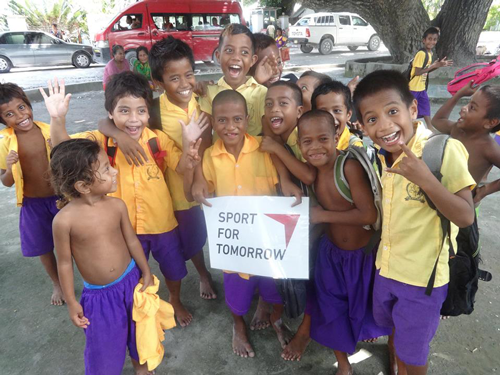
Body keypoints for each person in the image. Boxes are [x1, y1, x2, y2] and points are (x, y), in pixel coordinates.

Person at [42, 73, 203, 328]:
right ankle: (138, 307)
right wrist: (57, 118)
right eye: (124, 110)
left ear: (148, 113)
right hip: (122, 229)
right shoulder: (99, 141)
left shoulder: (156, 140)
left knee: (173, 269)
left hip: (161, 222)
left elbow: (182, 167)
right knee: (133, 276)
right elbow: (64, 149)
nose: (133, 119)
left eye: (141, 110)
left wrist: (189, 149)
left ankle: (175, 299)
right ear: (110, 113)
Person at [353, 70, 476, 375]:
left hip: (422, 281)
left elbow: (465, 215)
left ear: (412, 109)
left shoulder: (441, 151)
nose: (383, 126)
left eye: (392, 112)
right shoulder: (383, 156)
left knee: (415, 354)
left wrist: (425, 180)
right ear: (363, 126)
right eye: (371, 119)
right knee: (396, 333)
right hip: (388, 268)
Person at [99, 36, 217, 300]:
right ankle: (201, 274)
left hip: (204, 183)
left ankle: (203, 273)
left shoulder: (205, 102)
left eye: (189, 75)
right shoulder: (153, 110)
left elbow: (205, 146)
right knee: (183, 240)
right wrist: (121, 138)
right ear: (159, 83)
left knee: (199, 235)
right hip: (171, 193)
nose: (184, 84)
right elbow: (106, 121)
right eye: (174, 78)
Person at [184, 90, 292, 358]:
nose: (230, 127)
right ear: (214, 122)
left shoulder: (264, 149)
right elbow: (194, 194)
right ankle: (238, 325)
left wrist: (286, 180)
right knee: (236, 295)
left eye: (236, 119)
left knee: (272, 287)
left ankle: (274, 317)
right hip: (233, 244)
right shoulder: (209, 157)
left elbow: (283, 182)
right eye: (221, 120)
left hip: (266, 241)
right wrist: (196, 174)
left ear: (247, 118)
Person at [49, 138, 154, 375]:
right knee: (104, 352)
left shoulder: (117, 206)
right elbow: (65, 263)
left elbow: (131, 241)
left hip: (131, 283)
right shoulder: (64, 221)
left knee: (140, 335)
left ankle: (143, 369)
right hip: (99, 298)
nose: (114, 171)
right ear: (83, 186)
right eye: (106, 168)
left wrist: (145, 271)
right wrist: (72, 301)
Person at [299, 110, 391, 375]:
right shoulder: (310, 173)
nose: (315, 147)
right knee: (331, 309)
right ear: (299, 143)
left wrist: (321, 216)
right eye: (307, 142)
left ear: (337, 136)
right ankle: (343, 364)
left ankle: (394, 355)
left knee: (374, 308)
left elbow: (369, 214)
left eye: (322, 138)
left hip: (362, 256)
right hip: (331, 255)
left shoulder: (347, 166)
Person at [0, 82, 64, 306]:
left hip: (59, 200)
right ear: (3, 121)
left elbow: (67, 161)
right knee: (43, 247)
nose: (19, 116)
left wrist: (55, 144)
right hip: (32, 204)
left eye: (21, 107)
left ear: (28, 105)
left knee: (74, 241)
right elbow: (6, 182)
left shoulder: (47, 129)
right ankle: (57, 283)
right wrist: (8, 168)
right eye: (9, 114)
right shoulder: (6, 143)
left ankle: (83, 277)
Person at [199, 24, 275, 138]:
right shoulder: (208, 93)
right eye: (229, 50)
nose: (236, 57)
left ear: (252, 60)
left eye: (244, 52)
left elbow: (269, 137)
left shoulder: (262, 93)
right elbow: (204, 136)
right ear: (218, 56)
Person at [432, 82, 500, 203]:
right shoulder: (458, 129)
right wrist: (459, 94)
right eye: (467, 103)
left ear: (491, 122)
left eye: (472, 108)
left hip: (462, 207)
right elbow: (437, 121)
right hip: (438, 197)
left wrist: (486, 190)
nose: (463, 108)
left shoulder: (488, 148)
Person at [409, 27, 452, 130]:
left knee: (425, 107)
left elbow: (426, 71)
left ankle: (430, 127)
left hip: (421, 87)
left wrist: (437, 66)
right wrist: (433, 66)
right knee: (410, 110)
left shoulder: (429, 53)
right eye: (429, 39)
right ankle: (409, 128)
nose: (432, 41)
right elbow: (417, 72)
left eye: (434, 39)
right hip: (413, 88)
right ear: (424, 40)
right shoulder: (421, 54)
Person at [312, 81, 364, 149]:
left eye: (337, 111)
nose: (331, 118)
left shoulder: (354, 147)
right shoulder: (309, 142)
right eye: (323, 112)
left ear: (348, 115)